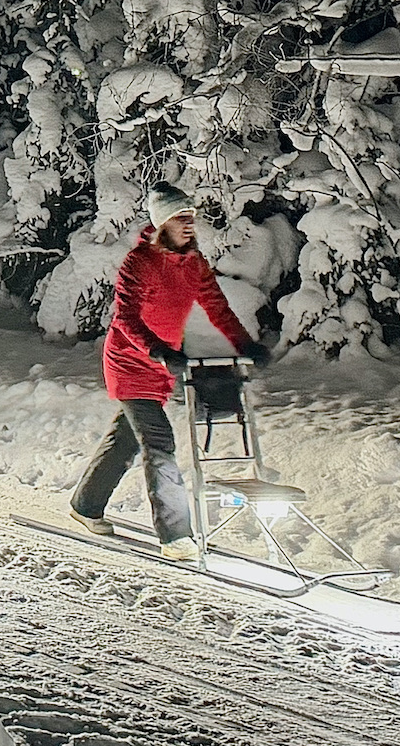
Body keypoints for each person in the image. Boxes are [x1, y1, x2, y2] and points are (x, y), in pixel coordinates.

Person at [69, 182, 272, 560]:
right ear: (162, 224)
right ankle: (175, 534)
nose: (189, 225)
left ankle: (85, 505)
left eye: (192, 218)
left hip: (160, 366)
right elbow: (126, 318)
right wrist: (158, 350)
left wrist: (244, 344)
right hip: (130, 363)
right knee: (159, 442)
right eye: (181, 219)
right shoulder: (139, 262)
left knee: (126, 442)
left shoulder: (193, 263)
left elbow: (218, 308)